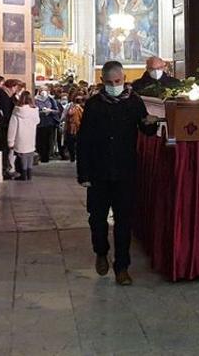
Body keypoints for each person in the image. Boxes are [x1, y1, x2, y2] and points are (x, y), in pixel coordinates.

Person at [77, 62, 159, 286]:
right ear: (103, 81)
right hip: (98, 172)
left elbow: (145, 128)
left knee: (124, 221)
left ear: (124, 79)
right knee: (97, 219)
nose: (115, 86)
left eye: (118, 82)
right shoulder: (94, 104)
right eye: (111, 83)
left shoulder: (133, 102)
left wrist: (151, 124)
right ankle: (101, 251)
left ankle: (122, 266)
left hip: (125, 171)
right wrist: (83, 173)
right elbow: (83, 141)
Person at [0, 78, 22, 180]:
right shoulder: (2, 95)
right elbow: (5, 112)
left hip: (6, 126)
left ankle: (6, 169)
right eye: (16, 88)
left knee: (6, 150)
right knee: (4, 149)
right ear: (12, 87)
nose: (15, 91)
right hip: (3, 127)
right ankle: (4, 170)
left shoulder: (7, 95)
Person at [8, 91, 41, 181]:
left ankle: (23, 174)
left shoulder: (17, 110)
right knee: (29, 154)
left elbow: (12, 126)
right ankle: (29, 174)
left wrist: (10, 141)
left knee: (22, 156)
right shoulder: (34, 110)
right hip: (30, 136)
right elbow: (37, 121)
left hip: (20, 137)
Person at [34, 86, 61, 163]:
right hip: (40, 123)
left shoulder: (51, 99)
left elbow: (57, 110)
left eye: (44, 90)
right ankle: (41, 155)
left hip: (49, 123)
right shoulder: (35, 100)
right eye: (41, 90)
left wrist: (50, 111)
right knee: (40, 141)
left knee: (48, 141)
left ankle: (47, 156)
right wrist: (41, 112)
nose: (43, 92)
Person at [63, 93, 85, 163]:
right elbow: (67, 115)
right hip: (71, 128)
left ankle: (76, 157)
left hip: (78, 128)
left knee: (76, 143)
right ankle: (73, 157)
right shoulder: (71, 106)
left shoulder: (81, 107)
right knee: (72, 143)